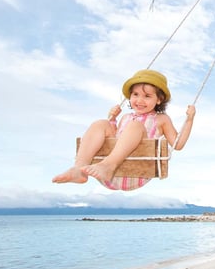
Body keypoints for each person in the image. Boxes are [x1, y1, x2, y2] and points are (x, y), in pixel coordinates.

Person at [52, 69, 196, 190]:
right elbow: (114, 139)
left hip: (135, 174)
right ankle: (79, 169)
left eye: (147, 96)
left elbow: (178, 144)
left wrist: (189, 120)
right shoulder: (125, 117)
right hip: (106, 175)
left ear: (159, 100)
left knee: (135, 126)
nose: (139, 100)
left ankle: (109, 165)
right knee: (100, 123)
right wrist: (112, 118)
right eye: (135, 94)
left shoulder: (161, 119)